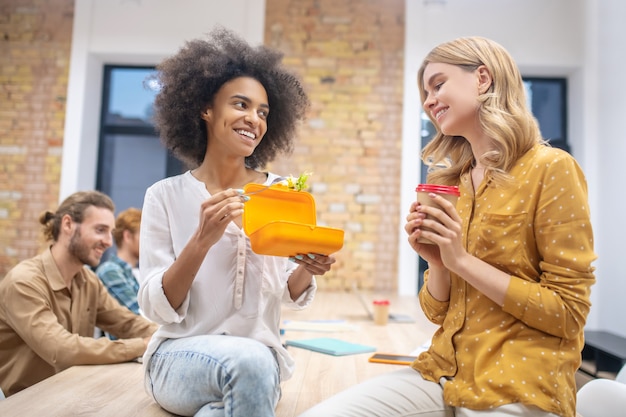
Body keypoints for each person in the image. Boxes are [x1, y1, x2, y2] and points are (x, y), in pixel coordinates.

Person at [298, 37, 596, 417]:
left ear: (483, 79)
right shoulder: (453, 182)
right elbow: (439, 313)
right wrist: (437, 263)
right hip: (441, 371)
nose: (428, 100)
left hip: (518, 386)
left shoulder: (551, 169)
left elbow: (567, 314)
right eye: (425, 91)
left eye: (438, 84)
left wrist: (460, 260)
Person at [138, 27, 337, 417]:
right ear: (205, 109)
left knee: (239, 386)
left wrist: (305, 268)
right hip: (179, 359)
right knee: (249, 362)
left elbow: (284, 295)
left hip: (260, 367)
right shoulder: (164, 196)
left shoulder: (282, 193)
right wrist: (201, 240)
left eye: (263, 112)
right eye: (241, 105)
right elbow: (155, 309)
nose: (254, 119)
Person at [0, 191, 158, 397]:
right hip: (28, 404)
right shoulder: (24, 282)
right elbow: (61, 349)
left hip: (71, 395)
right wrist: (141, 345)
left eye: (110, 232)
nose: (109, 241)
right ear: (67, 225)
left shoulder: (88, 280)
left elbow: (127, 323)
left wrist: (165, 335)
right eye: (100, 230)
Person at [96, 207, 142, 316]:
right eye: (144, 236)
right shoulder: (110, 271)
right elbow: (138, 315)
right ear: (127, 236)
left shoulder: (141, 272)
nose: (149, 242)